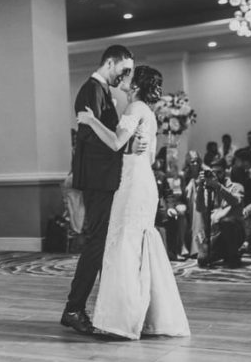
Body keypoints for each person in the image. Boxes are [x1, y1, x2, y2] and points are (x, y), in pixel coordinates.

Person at [76, 65, 189, 339]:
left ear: (136, 84)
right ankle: (145, 317)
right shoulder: (148, 112)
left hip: (131, 184)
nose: (124, 79)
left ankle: (121, 322)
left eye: (129, 76)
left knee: (124, 246)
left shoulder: (134, 108)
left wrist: (91, 121)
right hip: (143, 180)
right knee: (137, 246)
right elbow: (147, 157)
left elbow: (116, 142)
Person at [61, 45, 134, 336]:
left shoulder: (102, 91)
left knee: (100, 244)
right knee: (95, 243)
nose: (125, 75)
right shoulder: (90, 89)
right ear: (110, 62)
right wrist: (120, 144)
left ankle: (94, 307)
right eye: (124, 69)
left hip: (104, 179)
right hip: (98, 180)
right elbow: (90, 138)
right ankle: (73, 308)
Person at [194, 155, 245, 268]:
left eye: (219, 172)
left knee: (226, 221)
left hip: (234, 232)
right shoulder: (208, 188)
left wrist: (218, 186)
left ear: (226, 171)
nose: (216, 175)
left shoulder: (236, 187)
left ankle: (233, 254)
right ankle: (226, 252)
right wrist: (201, 187)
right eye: (213, 172)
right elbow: (200, 208)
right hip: (215, 234)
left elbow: (235, 200)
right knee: (202, 260)